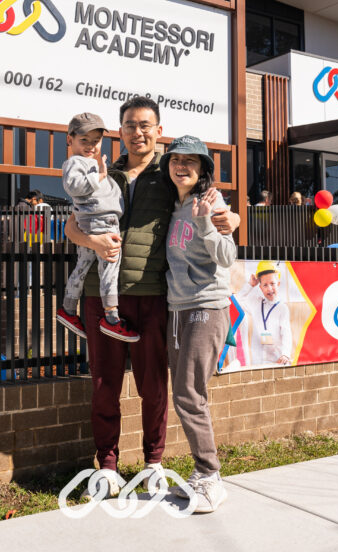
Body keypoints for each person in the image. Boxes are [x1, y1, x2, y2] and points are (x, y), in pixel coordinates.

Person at [64, 95, 239, 496]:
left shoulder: (174, 171)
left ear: (159, 131)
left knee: (153, 386)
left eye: (145, 125)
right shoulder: (100, 172)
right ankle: (106, 465)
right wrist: (91, 240)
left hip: (155, 294)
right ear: (120, 132)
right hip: (100, 293)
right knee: (104, 383)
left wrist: (233, 217)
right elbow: (72, 227)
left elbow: (218, 208)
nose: (137, 132)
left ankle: (153, 462)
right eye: (129, 125)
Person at [161, 135, 236, 513]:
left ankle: (210, 475)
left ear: (203, 169)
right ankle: (201, 473)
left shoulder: (209, 202)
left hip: (206, 306)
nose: (182, 166)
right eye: (176, 160)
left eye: (192, 161)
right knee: (186, 393)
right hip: (178, 309)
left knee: (190, 394)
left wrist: (207, 221)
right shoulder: (172, 207)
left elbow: (227, 256)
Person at [56, 113, 136, 342]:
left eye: (95, 141)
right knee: (110, 267)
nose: (91, 146)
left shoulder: (90, 163)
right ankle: (111, 317)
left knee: (82, 267)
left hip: (96, 220)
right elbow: (73, 187)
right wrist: (100, 176)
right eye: (84, 140)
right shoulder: (75, 163)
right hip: (101, 222)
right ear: (70, 140)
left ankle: (68, 309)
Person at [236, 260, 293, 366]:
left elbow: (286, 333)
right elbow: (237, 300)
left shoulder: (282, 308)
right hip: (259, 363)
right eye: (265, 285)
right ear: (260, 287)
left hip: (278, 361)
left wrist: (285, 354)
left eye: (272, 284)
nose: (269, 288)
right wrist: (250, 285)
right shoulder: (256, 303)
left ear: (278, 284)